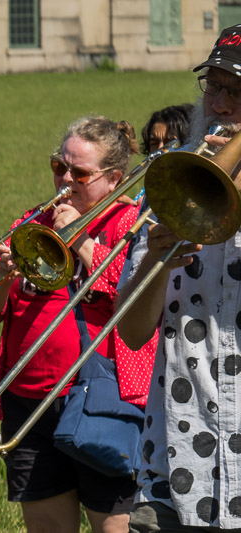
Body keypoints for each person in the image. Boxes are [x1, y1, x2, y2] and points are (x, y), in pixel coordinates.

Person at [0, 116, 158, 533]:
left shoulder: (131, 224)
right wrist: (3, 277)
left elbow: (134, 293)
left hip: (103, 399)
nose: (65, 180)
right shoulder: (34, 220)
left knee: (114, 525)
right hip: (29, 399)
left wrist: (80, 241)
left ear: (114, 179)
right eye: (59, 166)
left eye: (79, 173)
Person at [117, 25, 241, 532]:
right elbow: (131, 332)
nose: (222, 104)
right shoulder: (169, 187)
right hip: (177, 456)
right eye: (214, 88)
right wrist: (154, 263)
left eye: (237, 92)